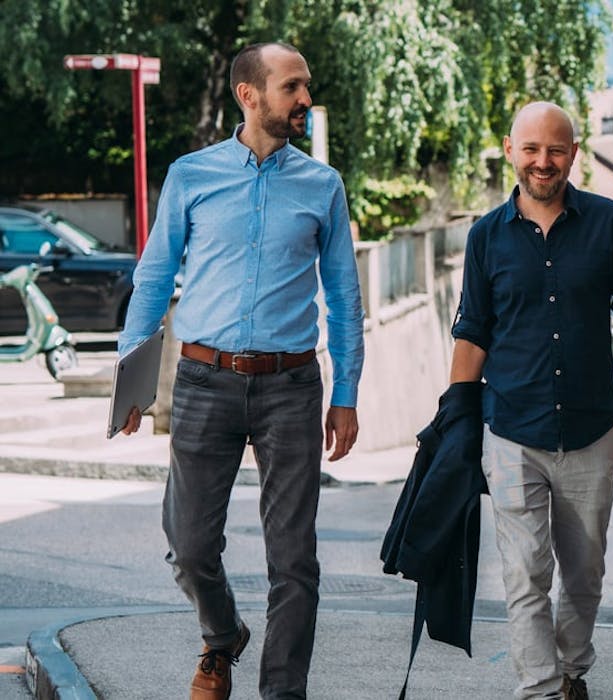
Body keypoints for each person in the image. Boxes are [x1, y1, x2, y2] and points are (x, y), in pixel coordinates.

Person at [116, 42, 364, 700]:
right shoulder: (192, 177)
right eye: (293, 87)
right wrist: (132, 382)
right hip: (202, 383)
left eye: (306, 86)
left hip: (290, 388)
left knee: (294, 560)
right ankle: (222, 636)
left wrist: (346, 392)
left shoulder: (323, 186)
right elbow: (153, 278)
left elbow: (343, 299)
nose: (305, 99)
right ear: (248, 96)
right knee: (189, 545)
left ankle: (282, 693)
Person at [449, 101, 613, 700]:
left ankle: (571, 669)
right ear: (510, 150)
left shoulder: (611, 222)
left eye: (556, 150)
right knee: (524, 572)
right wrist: (456, 420)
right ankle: (540, 689)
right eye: (532, 149)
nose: (544, 162)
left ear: (573, 153)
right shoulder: (485, 236)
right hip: (511, 427)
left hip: (592, 429)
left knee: (584, 572)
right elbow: (473, 332)